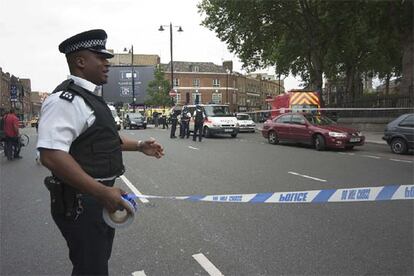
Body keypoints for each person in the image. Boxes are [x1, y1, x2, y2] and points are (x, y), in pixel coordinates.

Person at [37, 29, 164, 276]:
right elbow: (51, 155)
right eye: (101, 57)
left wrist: (139, 146)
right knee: (91, 268)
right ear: (81, 61)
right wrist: (102, 192)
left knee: (95, 264)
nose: (107, 63)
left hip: (96, 198)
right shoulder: (66, 101)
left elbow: (106, 140)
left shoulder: (90, 98)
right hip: (82, 202)